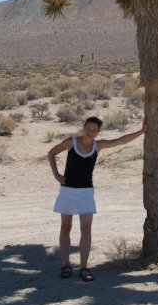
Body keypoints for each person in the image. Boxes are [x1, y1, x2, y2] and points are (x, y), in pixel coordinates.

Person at [48, 115, 147, 281]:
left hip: (86, 192)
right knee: (66, 227)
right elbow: (51, 153)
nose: (90, 131)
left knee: (86, 229)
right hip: (67, 190)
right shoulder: (71, 142)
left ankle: (84, 268)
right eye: (88, 127)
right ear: (84, 126)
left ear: (97, 132)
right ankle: (65, 264)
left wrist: (142, 131)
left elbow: (121, 140)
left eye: (94, 129)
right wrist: (56, 174)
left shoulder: (97, 146)